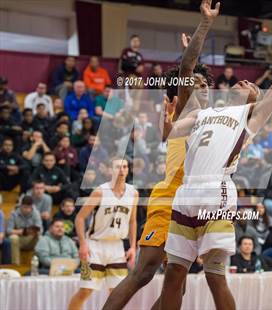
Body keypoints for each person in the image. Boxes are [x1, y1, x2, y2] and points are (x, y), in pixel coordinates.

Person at [159, 4, 272, 310]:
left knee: (215, 276)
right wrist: (164, 120)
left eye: (252, 85)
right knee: (173, 274)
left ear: (256, 99)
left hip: (217, 190)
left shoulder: (250, 117)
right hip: (186, 191)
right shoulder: (204, 112)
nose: (245, 82)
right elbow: (169, 131)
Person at [102, 10, 216, 308]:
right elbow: (187, 70)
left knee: (176, 288)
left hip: (191, 207)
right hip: (169, 200)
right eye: (196, 84)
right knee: (142, 273)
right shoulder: (185, 111)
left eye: (205, 84)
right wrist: (204, 25)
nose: (202, 88)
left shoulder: (210, 120)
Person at [67, 157, 138, 310]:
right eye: (118, 167)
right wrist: (83, 244)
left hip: (117, 247)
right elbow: (79, 218)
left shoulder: (133, 193)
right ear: (110, 170)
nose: (122, 170)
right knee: (85, 291)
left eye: (125, 167)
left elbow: (133, 221)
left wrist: (133, 247)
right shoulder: (100, 192)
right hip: (95, 245)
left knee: (117, 293)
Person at [7, 196, 42, 265]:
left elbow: (41, 230)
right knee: (13, 238)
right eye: (25, 207)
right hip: (19, 240)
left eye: (29, 208)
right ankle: (16, 264)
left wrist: (35, 232)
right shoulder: (14, 213)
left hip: (31, 239)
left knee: (41, 238)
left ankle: (38, 264)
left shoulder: (36, 213)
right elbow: (8, 230)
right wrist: (21, 231)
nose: (27, 210)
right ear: (21, 206)